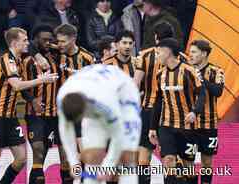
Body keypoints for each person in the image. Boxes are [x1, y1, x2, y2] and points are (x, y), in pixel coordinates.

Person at [0, 27, 58, 184]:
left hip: (11, 117)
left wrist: (37, 56)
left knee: (21, 159)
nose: (27, 43)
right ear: (15, 43)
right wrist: (42, 80)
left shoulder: (19, 60)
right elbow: (16, 85)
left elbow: (36, 46)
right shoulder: (7, 59)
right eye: (24, 40)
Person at [58, 64, 141, 184]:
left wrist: (109, 165)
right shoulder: (62, 98)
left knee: (126, 157)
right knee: (92, 157)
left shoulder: (105, 104)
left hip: (124, 94)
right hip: (96, 89)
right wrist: (74, 163)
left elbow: (119, 136)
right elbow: (65, 131)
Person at [148, 38, 206, 184]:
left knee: (189, 168)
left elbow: (202, 94)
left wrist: (195, 112)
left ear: (168, 52)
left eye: (159, 52)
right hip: (166, 126)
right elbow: (158, 101)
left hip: (188, 128)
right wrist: (153, 127)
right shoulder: (160, 74)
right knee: (168, 161)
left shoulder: (189, 71)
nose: (157, 55)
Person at [133, 21, 175, 184]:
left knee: (143, 158)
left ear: (156, 37)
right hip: (171, 113)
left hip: (148, 110)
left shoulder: (145, 55)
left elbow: (135, 84)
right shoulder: (181, 56)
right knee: (170, 157)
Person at [55, 23, 96, 183]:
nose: (60, 44)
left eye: (63, 41)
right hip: (62, 114)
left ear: (73, 39)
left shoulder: (87, 58)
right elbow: (34, 46)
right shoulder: (56, 54)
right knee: (65, 159)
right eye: (58, 41)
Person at [23, 25, 61, 184]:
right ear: (36, 40)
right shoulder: (28, 60)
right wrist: (32, 100)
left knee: (44, 154)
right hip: (35, 114)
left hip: (54, 115)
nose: (47, 42)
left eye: (49, 40)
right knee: (38, 150)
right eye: (43, 39)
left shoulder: (57, 57)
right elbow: (22, 86)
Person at [189, 40, 225, 184]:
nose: (190, 55)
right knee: (187, 162)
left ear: (204, 54)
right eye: (190, 52)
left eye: (193, 52)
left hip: (208, 124)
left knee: (207, 162)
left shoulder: (217, 71)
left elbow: (218, 91)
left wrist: (201, 78)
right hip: (189, 124)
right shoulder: (186, 69)